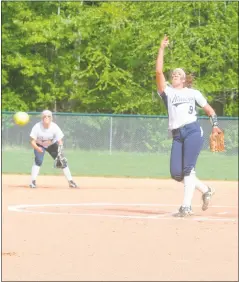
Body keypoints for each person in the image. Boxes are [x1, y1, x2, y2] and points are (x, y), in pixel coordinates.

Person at [156, 35, 223, 217]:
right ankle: (206, 189)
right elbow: (159, 73)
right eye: (174, 74)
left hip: (193, 130)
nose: (175, 75)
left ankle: (186, 207)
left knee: (188, 169)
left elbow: (210, 110)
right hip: (178, 134)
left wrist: (215, 126)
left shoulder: (193, 93)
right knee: (176, 173)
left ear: (184, 79)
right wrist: (161, 48)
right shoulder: (167, 92)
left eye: (179, 74)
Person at [29, 110, 78, 188]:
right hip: (39, 145)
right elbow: (32, 141)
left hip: (52, 145)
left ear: (52, 118)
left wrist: (60, 151)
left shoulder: (54, 127)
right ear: (42, 118)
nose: (47, 117)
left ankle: (70, 181)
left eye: (49, 116)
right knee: (38, 161)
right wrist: (37, 148)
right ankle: (33, 181)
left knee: (62, 161)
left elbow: (60, 141)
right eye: (45, 116)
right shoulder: (37, 126)